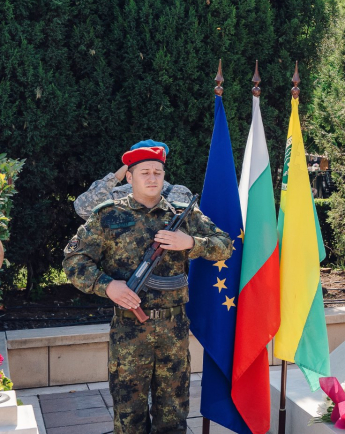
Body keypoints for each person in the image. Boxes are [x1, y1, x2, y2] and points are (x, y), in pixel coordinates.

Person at [63, 142, 233, 434]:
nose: (152, 178)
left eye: (158, 172)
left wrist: (190, 243)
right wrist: (108, 286)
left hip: (174, 328)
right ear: (129, 178)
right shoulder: (107, 216)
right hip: (129, 331)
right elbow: (74, 260)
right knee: (129, 417)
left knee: (173, 414)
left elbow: (225, 245)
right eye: (145, 172)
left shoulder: (183, 215)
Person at [74, 140, 193, 220]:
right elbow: (83, 209)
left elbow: (199, 230)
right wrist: (118, 176)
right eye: (144, 170)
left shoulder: (179, 193)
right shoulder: (117, 195)